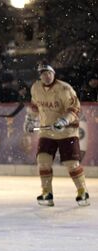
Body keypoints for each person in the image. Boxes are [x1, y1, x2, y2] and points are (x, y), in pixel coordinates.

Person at [23, 63, 90, 206]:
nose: (46, 76)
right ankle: (47, 193)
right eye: (43, 73)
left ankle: (82, 191)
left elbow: (74, 109)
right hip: (47, 132)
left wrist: (63, 121)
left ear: (53, 74)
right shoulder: (36, 88)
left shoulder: (65, 89)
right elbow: (35, 107)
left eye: (49, 73)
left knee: (71, 164)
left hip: (68, 132)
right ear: (40, 75)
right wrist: (29, 120)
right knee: (43, 161)